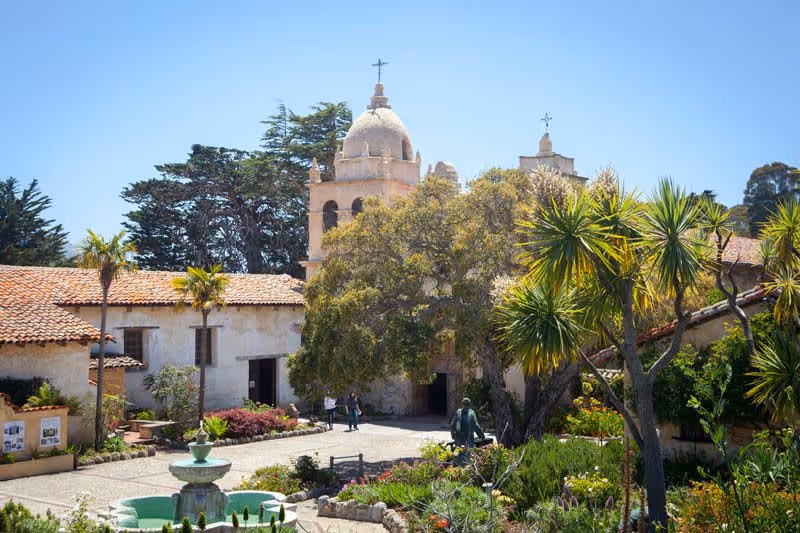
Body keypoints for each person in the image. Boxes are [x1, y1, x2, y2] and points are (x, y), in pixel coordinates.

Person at [450, 398, 485, 464]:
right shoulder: (471, 413)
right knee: (467, 454)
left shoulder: (458, 411)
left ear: (462, 404)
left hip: (459, 437)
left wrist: (453, 435)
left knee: (459, 453)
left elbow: (453, 425)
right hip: (468, 437)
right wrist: (481, 435)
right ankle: (466, 468)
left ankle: (459, 468)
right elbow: (476, 425)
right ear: (469, 404)